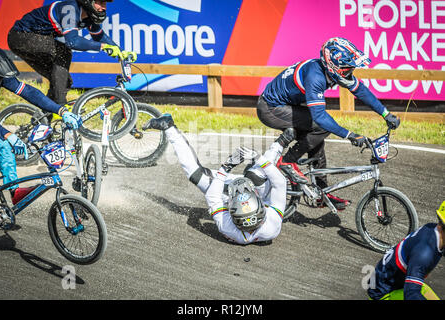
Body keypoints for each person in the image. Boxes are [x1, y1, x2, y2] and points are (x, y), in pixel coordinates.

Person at [257, 37, 401, 211]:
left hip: (289, 105)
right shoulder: (315, 76)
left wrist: (386, 114)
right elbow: (319, 117)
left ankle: (321, 194)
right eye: (348, 68)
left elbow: (361, 91)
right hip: (271, 108)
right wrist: (350, 135)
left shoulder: (332, 71)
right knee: (320, 127)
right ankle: (287, 161)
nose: (351, 71)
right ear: (333, 66)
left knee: (316, 141)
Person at [143, 113, 290, 244]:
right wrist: (258, 158)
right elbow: (280, 183)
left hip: (227, 192)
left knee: (195, 175)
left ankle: (168, 126)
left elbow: (212, 195)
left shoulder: (227, 226)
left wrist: (226, 167)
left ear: (230, 212)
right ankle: (282, 142)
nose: (241, 186)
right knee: (255, 176)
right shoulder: (272, 224)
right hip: (262, 192)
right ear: (262, 207)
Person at [0, 45, 82, 205]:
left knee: (4, 147)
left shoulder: (0, 74)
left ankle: (14, 192)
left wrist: (61, 111)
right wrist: (8, 134)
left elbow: (29, 92)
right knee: (2, 144)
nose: (0, 82)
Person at [7, 0, 137, 106]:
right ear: (88, 2)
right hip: (20, 37)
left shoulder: (89, 16)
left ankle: (43, 121)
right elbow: (73, 42)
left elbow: (98, 36)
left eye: (105, 4)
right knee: (63, 51)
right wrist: (103, 47)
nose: (104, 8)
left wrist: (121, 52)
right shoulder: (69, 8)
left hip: (31, 41)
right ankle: (61, 107)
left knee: (62, 82)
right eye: (100, 3)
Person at [367, 201, 444, 300]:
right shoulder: (424, 254)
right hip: (384, 295)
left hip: (397, 285)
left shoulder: (432, 229)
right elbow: (411, 294)